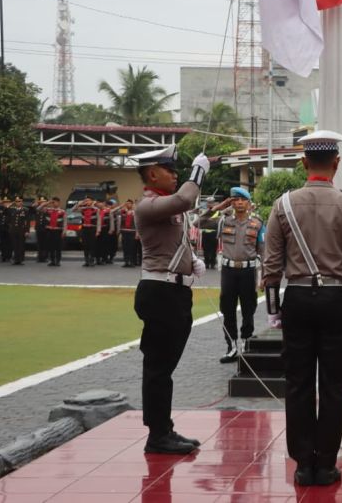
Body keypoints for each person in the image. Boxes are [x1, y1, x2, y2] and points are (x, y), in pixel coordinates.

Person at [262, 130, 342, 487]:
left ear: (304, 162)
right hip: (337, 300)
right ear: (336, 164)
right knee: (336, 385)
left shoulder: (284, 204)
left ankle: (303, 464)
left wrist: (274, 309)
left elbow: (271, 263)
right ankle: (326, 464)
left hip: (296, 300)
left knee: (298, 383)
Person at [133, 144, 209, 454]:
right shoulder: (147, 205)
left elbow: (175, 240)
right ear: (152, 173)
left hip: (175, 292)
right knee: (158, 368)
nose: (175, 174)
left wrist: (192, 262)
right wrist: (199, 171)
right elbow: (187, 198)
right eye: (169, 169)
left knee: (164, 368)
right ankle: (157, 435)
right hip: (160, 293)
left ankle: (163, 429)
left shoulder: (166, 205)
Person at [217, 187, 263, 363]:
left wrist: (264, 275)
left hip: (248, 271)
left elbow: (263, 250)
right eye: (235, 200)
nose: (239, 203)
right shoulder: (224, 221)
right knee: (227, 309)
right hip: (229, 271)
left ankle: (245, 342)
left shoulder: (257, 223)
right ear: (231, 202)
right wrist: (218, 208)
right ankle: (231, 346)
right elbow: (199, 222)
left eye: (242, 200)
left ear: (249, 203)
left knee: (248, 308)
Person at [195, 197, 221, 269]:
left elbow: (217, 222)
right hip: (205, 232)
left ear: (214, 203)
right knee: (205, 248)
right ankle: (206, 262)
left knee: (213, 249)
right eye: (208, 202)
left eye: (211, 202)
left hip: (214, 233)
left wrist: (209, 220)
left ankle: (212, 263)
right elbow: (200, 221)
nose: (209, 204)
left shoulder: (218, 212)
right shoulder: (203, 211)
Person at [73, 197, 100, 267]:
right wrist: (81, 203)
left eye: (89, 200)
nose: (87, 202)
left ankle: (92, 260)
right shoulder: (83, 209)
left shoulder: (96, 209)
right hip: (84, 229)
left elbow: (99, 221)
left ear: (92, 201)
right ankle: (86, 261)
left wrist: (98, 230)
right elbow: (73, 209)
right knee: (85, 245)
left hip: (92, 229)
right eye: (86, 201)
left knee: (92, 245)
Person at [41, 197, 66, 266]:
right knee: (51, 246)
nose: (54, 203)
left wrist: (64, 231)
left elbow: (65, 222)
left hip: (58, 231)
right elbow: (39, 208)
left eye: (55, 202)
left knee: (58, 247)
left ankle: (58, 261)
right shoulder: (48, 210)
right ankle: (52, 260)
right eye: (53, 202)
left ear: (59, 202)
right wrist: (48, 202)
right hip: (50, 231)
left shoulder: (62, 211)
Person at [7, 196, 29, 265]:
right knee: (15, 245)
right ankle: (16, 259)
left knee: (20, 245)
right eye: (16, 201)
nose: (18, 203)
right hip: (13, 230)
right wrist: (10, 204)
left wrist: (27, 231)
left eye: (19, 201)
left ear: (22, 202)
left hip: (21, 230)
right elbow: (5, 211)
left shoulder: (25, 210)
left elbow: (27, 221)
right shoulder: (12, 209)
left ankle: (20, 260)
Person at [34, 196, 49, 263]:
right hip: (38, 229)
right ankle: (39, 257)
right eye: (41, 202)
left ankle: (45, 257)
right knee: (39, 244)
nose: (42, 203)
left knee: (45, 244)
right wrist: (38, 203)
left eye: (44, 202)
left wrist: (44, 204)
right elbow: (33, 207)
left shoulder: (47, 210)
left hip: (45, 229)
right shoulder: (37, 209)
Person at [0, 196, 11, 262]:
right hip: (1, 228)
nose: (5, 203)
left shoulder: (10, 209)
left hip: (8, 228)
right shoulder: (0, 208)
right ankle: (3, 256)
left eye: (6, 202)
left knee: (9, 243)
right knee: (3, 243)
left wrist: (7, 207)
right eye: (4, 202)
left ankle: (8, 256)